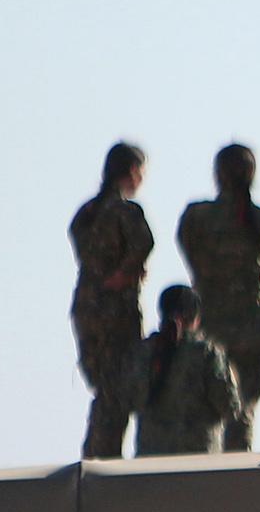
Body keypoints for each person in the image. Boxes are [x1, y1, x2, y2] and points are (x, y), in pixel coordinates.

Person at [177, 144, 260, 451]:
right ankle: (239, 465)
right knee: (243, 403)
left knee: (206, 400)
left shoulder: (196, 217)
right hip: (250, 322)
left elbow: (189, 254)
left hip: (208, 320)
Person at [68, 142, 154, 458]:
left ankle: (94, 458)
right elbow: (144, 244)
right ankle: (104, 462)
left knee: (103, 390)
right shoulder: (125, 211)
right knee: (117, 390)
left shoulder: (86, 213)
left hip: (86, 307)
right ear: (131, 172)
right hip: (115, 310)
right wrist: (128, 273)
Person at [122, 285, 241, 455]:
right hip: (197, 465)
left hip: (150, 466)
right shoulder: (207, 354)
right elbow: (229, 406)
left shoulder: (143, 352)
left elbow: (128, 401)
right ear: (195, 317)